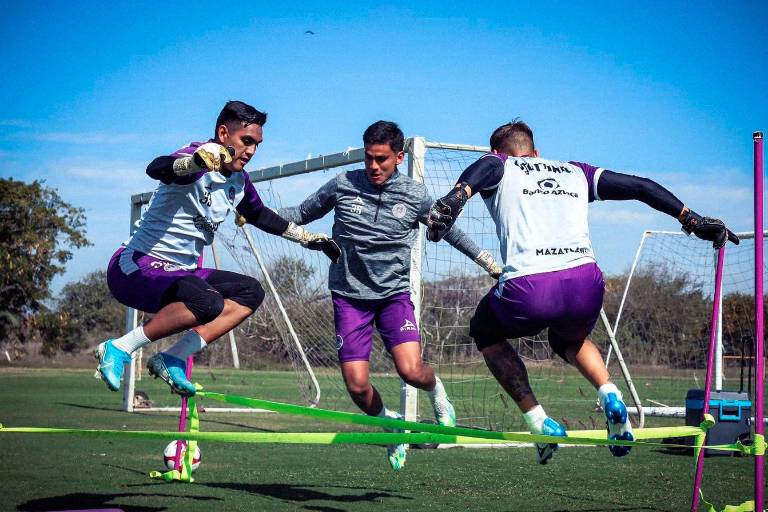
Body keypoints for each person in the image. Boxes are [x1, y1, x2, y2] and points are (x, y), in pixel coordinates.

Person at [427, 119, 739, 464]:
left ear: (498, 153)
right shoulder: (575, 172)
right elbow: (642, 186)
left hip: (531, 286)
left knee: (484, 330)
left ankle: (538, 421)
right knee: (568, 341)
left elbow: (486, 167)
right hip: (585, 283)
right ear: (537, 152)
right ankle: (610, 395)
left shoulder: (500, 165)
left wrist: (458, 195)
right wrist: (691, 219)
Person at [277, 120, 502, 470]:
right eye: (369, 158)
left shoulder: (414, 194)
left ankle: (439, 396)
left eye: (382, 159)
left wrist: (485, 259)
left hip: (393, 296)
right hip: (349, 297)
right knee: (355, 385)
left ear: (399, 157)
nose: (374, 166)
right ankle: (390, 425)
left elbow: (449, 230)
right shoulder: (343, 185)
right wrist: (253, 211)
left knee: (411, 371)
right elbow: (301, 214)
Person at [95, 101, 338, 397]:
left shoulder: (238, 179)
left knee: (250, 292)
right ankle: (119, 347)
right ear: (223, 134)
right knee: (207, 302)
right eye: (245, 141)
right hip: (134, 267)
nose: (250, 151)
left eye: (257, 145)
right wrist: (195, 162)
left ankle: (173, 357)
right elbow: (157, 168)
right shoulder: (198, 155)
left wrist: (307, 237)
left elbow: (259, 214)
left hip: (179, 275)